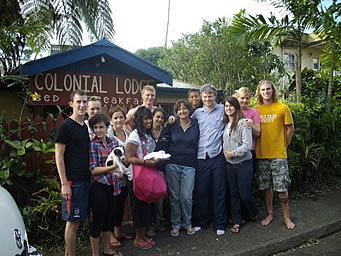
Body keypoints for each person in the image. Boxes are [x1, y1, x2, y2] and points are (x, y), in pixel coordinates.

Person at [254, 79, 295, 230]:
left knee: (282, 187)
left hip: (278, 155)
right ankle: (270, 214)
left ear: (273, 91)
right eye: (263, 90)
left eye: (268, 89)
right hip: (261, 154)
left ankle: (286, 217)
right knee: (266, 187)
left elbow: (290, 128)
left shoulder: (282, 108)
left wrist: (284, 144)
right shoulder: (255, 110)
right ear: (259, 92)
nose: (266, 92)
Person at [55, 90, 90, 256]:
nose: (82, 105)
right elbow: (59, 157)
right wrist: (64, 184)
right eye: (78, 102)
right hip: (71, 182)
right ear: (71, 104)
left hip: (84, 180)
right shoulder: (65, 126)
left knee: (78, 221)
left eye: (84, 102)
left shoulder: (84, 127)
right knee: (72, 222)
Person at [192, 84, 226, 236]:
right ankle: (202, 222)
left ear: (215, 96)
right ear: (201, 98)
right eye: (205, 96)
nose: (207, 99)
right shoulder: (197, 113)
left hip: (217, 155)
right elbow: (185, 124)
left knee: (219, 191)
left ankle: (219, 223)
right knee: (202, 191)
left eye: (210, 96)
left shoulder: (223, 109)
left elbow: (235, 119)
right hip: (201, 156)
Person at [88, 113, 123, 256]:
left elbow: (120, 161)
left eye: (101, 127)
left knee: (109, 219)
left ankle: (107, 249)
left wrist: (119, 171)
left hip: (113, 185)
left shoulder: (114, 142)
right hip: (99, 186)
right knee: (98, 220)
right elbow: (93, 170)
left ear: (107, 127)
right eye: (95, 127)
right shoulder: (92, 145)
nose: (98, 130)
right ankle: (95, 253)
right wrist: (112, 168)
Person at [223, 96, 258, 234]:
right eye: (226, 106)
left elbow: (247, 145)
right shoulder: (225, 125)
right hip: (229, 165)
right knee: (233, 194)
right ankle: (237, 221)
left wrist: (233, 153)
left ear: (236, 107)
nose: (228, 108)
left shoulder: (244, 123)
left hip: (244, 163)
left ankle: (254, 212)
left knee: (245, 194)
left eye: (231, 106)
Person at [126, 106, 159, 249]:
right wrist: (145, 162)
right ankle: (138, 239)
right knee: (138, 208)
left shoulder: (147, 134)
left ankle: (144, 235)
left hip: (148, 176)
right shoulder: (134, 136)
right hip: (137, 178)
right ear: (139, 120)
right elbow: (129, 157)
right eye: (146, 118)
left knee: (147, 207)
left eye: (150, 118)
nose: (149, 121)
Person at [165, 99, 199, 237]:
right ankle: (176, 224)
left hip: (190, 164)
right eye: (179, 109)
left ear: (189, 110)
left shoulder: (196, 124)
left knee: (186, 196)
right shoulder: (172, 125)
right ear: (176, 111)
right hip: (172, 163)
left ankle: (187, 223)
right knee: (174, 196)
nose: (182, 111)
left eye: (184, 108)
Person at [107, 107, 133, 247]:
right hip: (114, 175)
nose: (118, 120)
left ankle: (118, 230)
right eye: (115, 117)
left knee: (121, 204)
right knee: (113, 204)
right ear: (111, 120)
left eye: (121, 117)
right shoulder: (109, 134)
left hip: (126, 175)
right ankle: (110, 234)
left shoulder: (126, 132)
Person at [234, 87, 261, 221]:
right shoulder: (232, 111)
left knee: (245, 189)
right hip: (233, 153)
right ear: (237, 98)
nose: (244, 101)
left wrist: (251, 125)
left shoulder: (253, 112)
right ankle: (239, 216)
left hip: (249, 153)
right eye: (241, 98)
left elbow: (258, 133)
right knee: (234, 189)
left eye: (247, 98)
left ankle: (252, 212)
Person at [148, 108, 168, 236]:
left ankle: (159, 222)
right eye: (157, 117)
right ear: (152, 117)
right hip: (148, 169)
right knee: (149, 197)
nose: (159, 120)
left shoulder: (166, 131)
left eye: (161, 117)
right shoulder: (146, 132)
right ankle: (150, 225)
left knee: (160, 198)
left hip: (161, 170)